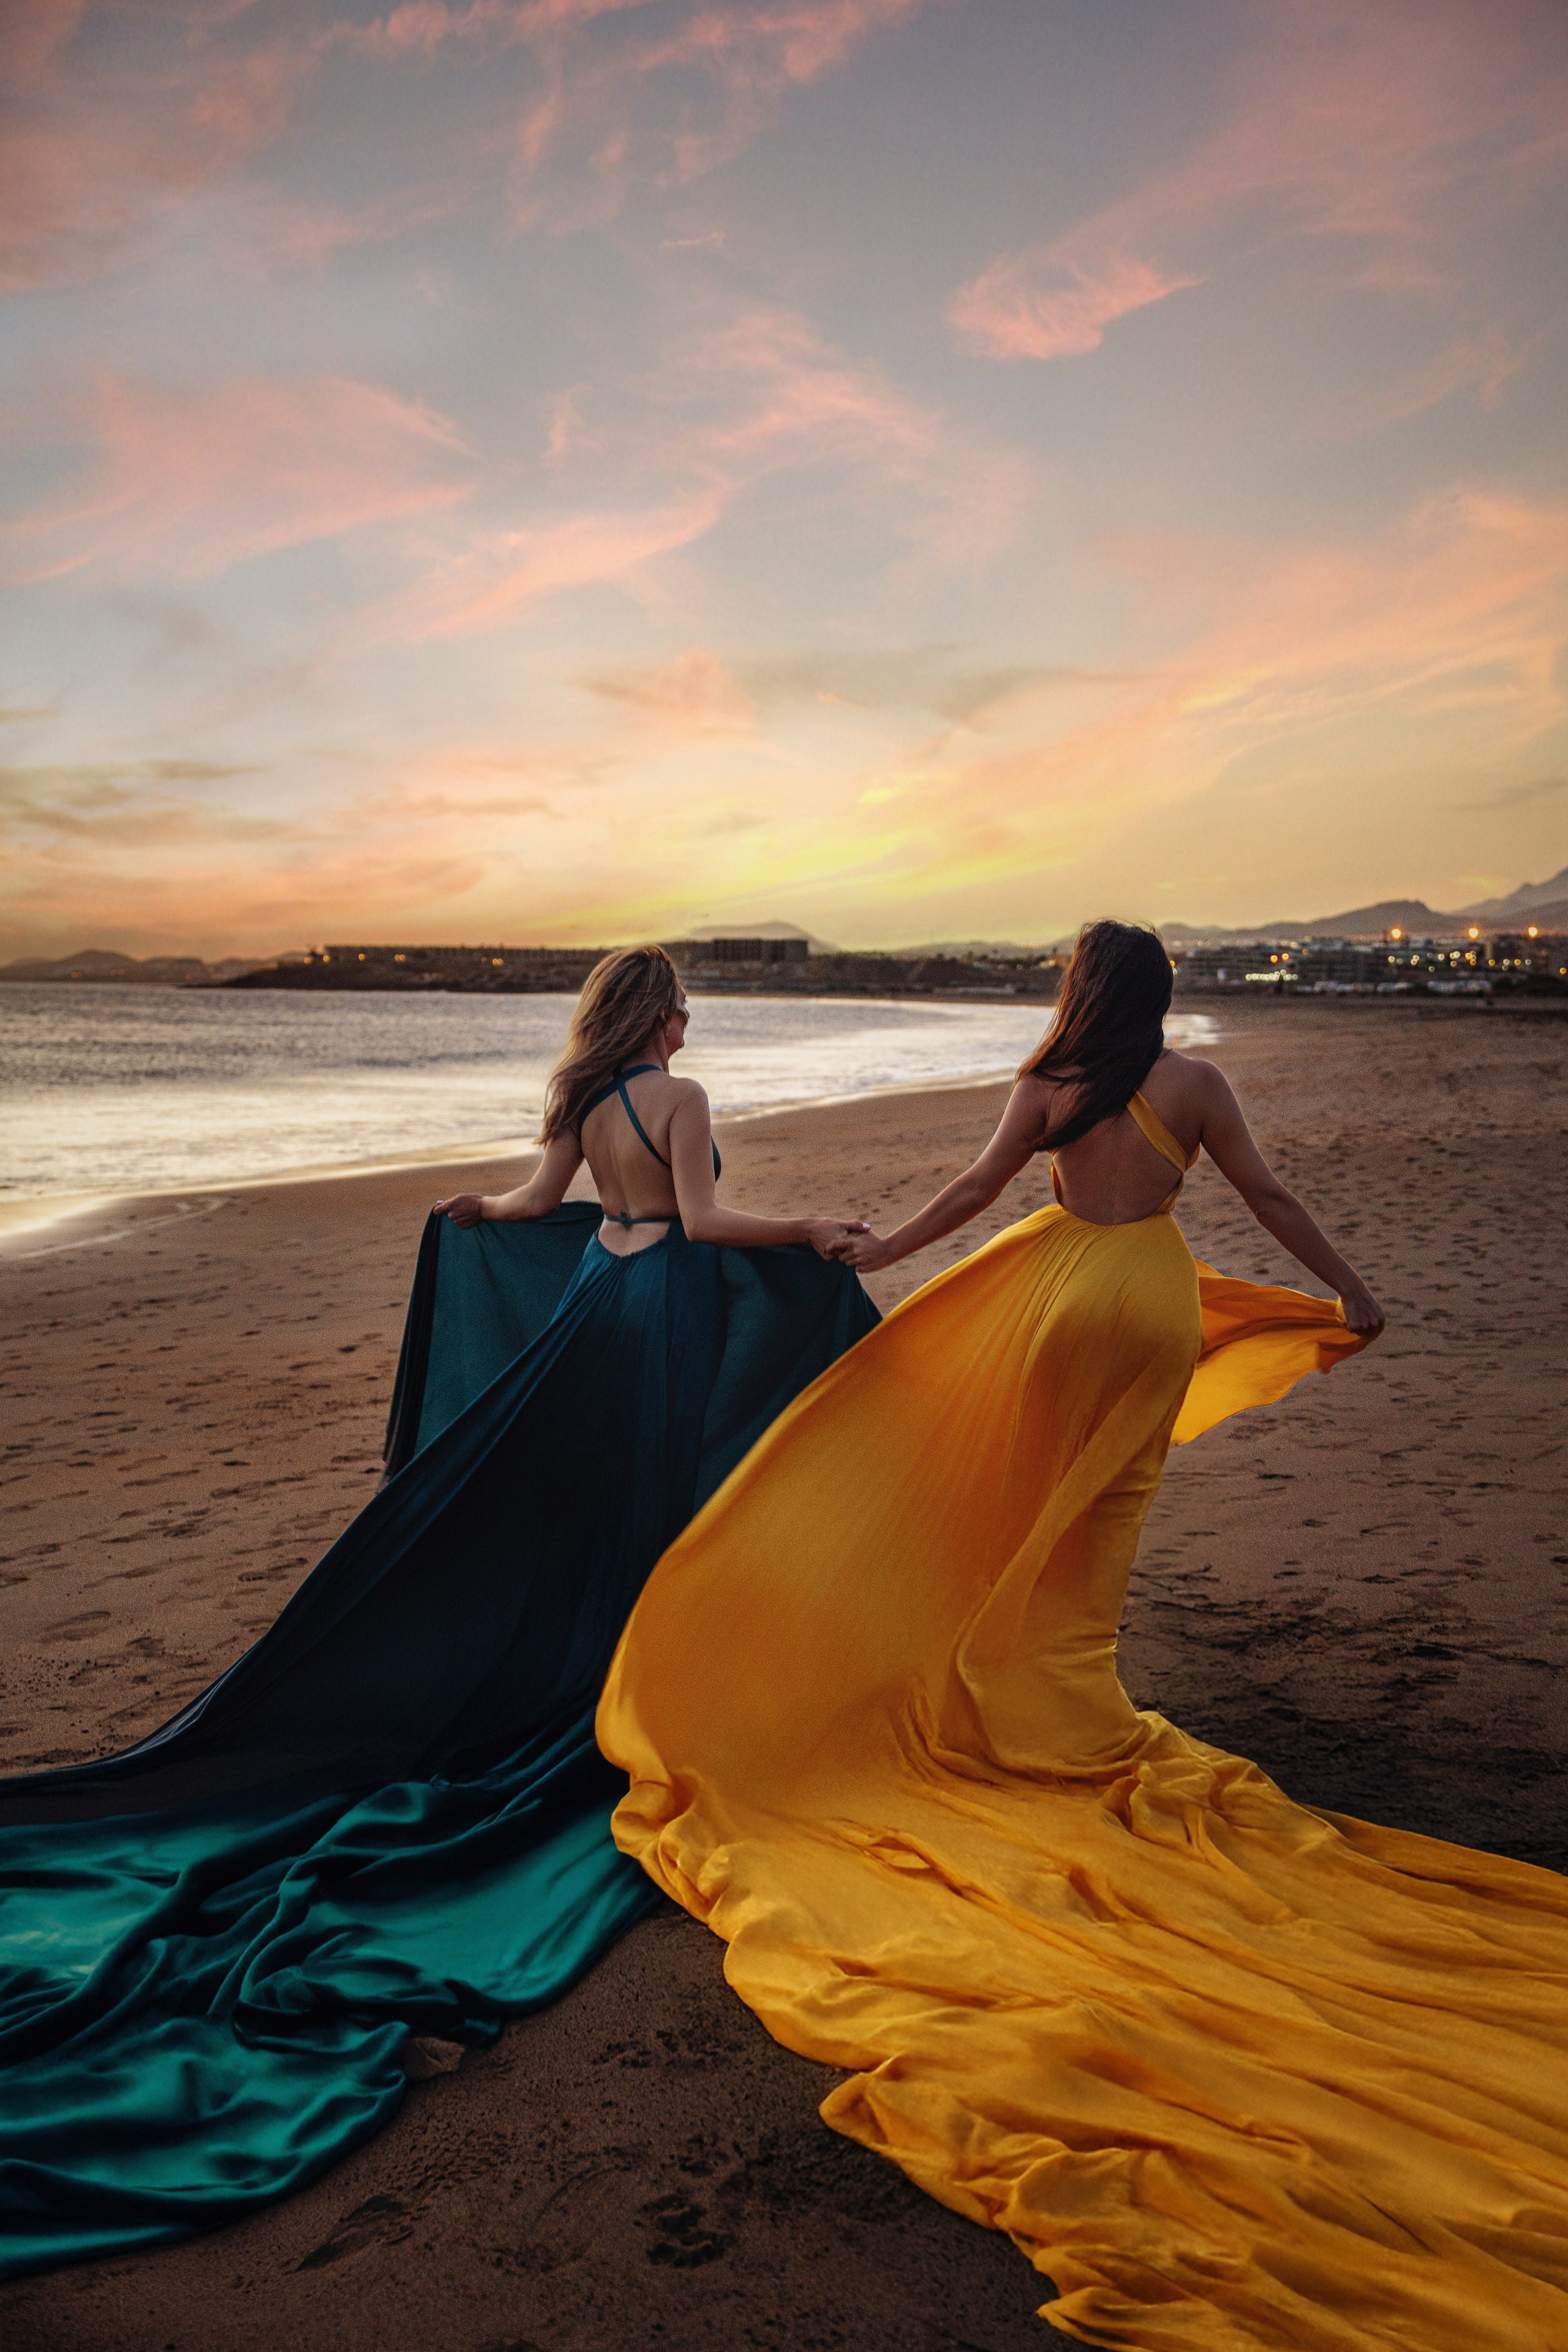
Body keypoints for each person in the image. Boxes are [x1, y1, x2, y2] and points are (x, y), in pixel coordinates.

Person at [598, 921, 1568, 2351]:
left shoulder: (1047, 1076)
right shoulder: (1187, 1085)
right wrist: (1350, 1290)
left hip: (1056, 1302)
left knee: (1009, 1509)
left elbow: (979, 1192)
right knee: (1095, 1530)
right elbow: (1266, 1197)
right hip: (1146, 1306)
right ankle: (1062, 1709)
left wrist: (884, 1251)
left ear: (1075, 995)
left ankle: (999, 1688)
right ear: (1159, 996)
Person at [0, 946, 876, 2282]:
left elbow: (538, 1204)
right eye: (683, 1002)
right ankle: (624, 1684)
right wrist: (811, 1229)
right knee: (650, 1505)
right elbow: (700, 1231)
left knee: (590, 1505)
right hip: (661, 1309)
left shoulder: (583, 1104)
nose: (691, 1019)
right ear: (660, 1015)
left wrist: (477, 1211)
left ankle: (601, 1662)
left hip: (593, 1295)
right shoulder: (679, 1099)